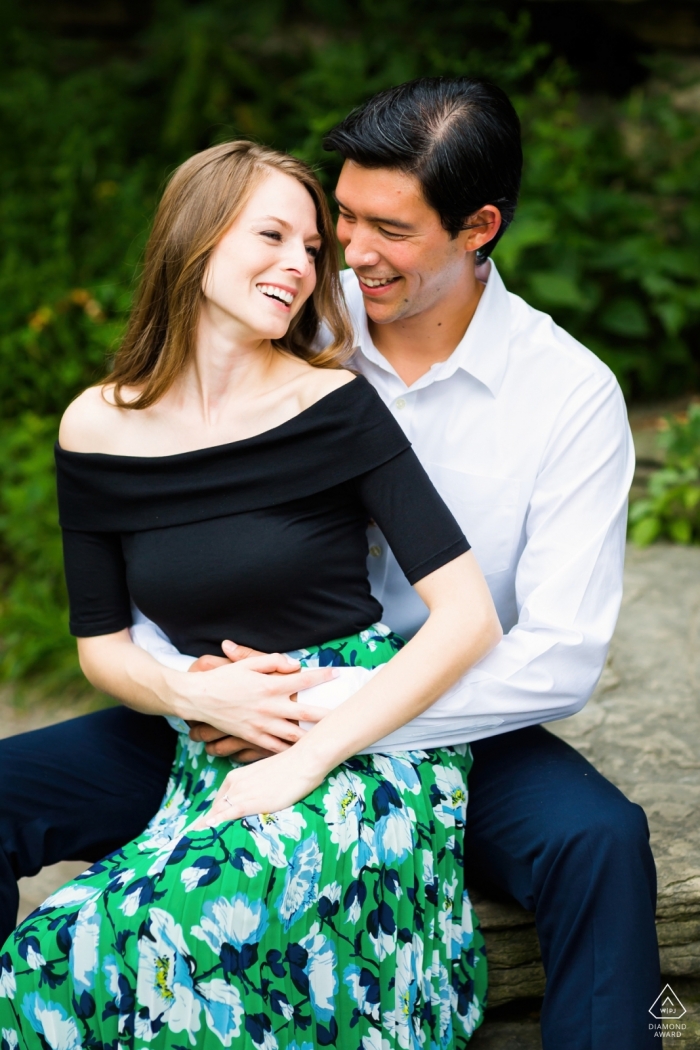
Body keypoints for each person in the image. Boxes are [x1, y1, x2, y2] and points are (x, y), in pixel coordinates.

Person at [0, 76, 658, 1049]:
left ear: (477, 227)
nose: (346, 254)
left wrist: (341, 717)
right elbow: (168, 525)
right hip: (242, 692)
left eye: (385, 229)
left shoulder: (567, 396)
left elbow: (554, 655)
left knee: (597, 840)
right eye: (338, 217)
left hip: (450, 709)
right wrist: (200, 689)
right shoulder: (293, 316)